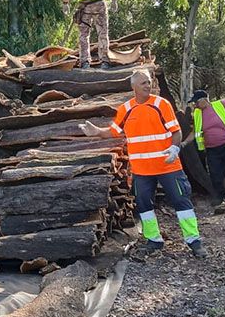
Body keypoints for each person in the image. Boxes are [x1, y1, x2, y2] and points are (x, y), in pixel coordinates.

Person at [79, 69, 206, 257]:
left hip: (167, 166)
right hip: (141, 171)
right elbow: (113, 131)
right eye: (143, 83)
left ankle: (194, 241)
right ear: (134, 87)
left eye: (148, 82)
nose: (148, 85)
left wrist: (174, 148)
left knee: (181, 201)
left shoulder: (161, 104)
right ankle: (154, 240)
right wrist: (96, 131)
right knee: (144, 205)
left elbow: (176, 131)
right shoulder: (126, 109)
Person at [181, 90, 225, 206]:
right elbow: (195, 132)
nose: (195, 105)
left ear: (204, 100)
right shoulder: (198, 113)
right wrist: (184, 142)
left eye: (196, 102)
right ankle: (219, 197)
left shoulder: (220, 104)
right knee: (215, 173)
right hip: (211, 149)